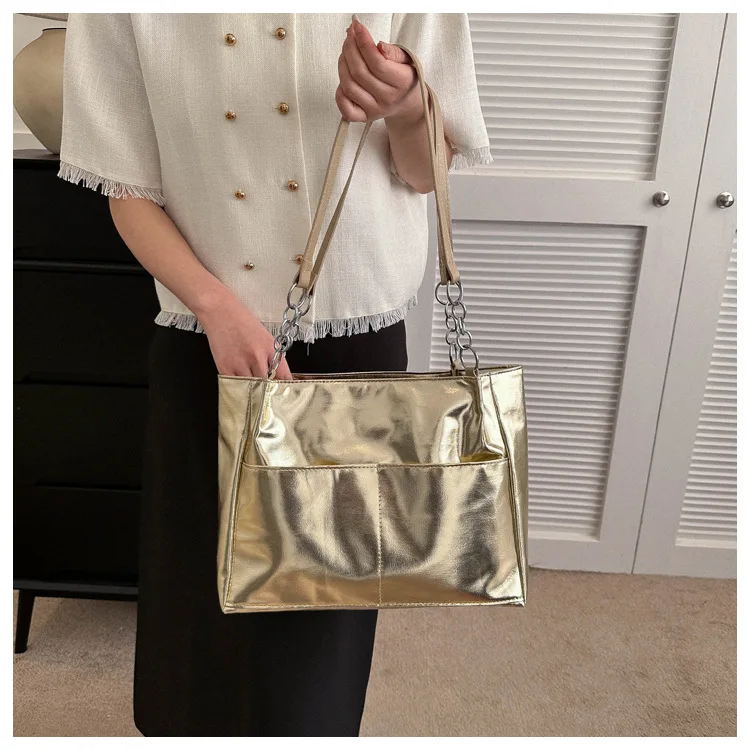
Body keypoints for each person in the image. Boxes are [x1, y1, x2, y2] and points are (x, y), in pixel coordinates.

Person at [58, 12, 491, 737]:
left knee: (326, 613)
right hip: (208, 339)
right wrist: (216, 308)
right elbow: (126, 185)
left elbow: (424, 174)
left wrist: (405, 103)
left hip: (353, 343)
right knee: (200, 601)